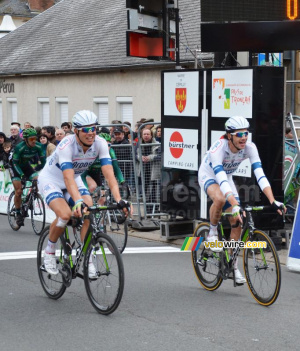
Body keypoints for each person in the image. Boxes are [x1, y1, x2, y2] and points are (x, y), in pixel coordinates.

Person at [38, 110, 129, 277]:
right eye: (86, 129)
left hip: (76, 178)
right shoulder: (66, 145)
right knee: (65, 215)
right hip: (52, 179)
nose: (91, 133)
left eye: (94, 128)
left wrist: (119, 200)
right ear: (76, 131)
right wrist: (78, 200)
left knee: (89, 211)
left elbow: (109, 174)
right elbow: (67, 178)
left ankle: (86, 258)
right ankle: (49, 252)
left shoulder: (100, 143)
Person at [198, 115, 286, 284]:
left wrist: (272, 200)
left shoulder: (250, 147)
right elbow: (221, 178)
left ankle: (233, 266)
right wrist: (235, 204)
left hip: (227, 178)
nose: (244, 137)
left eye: (246, 133)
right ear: (229, 135)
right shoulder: (218, 148)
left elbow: (260, 175)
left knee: (237, 222)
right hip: (210, 175)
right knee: (221, 198)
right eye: (239, 134)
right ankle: (212, 232)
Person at [10, 128, 46, 226]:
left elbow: (43, 162)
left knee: (37, 182)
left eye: (35, 138)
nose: (34, 141)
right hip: (15, 167)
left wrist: (39, 169)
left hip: (26, 166)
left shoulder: (39, 146)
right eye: (31, 139)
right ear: (26, 140)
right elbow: (15, 163)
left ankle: (27, 201)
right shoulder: (19, 147)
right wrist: (21, 175)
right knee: (18, 191)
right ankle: (18, 214)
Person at [136, 128, 161, 212]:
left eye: (148, 134)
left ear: (151, 135)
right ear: (142, 136)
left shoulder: (157, 144)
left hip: (153, 170)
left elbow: (159, 155)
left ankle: (154, 209)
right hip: (143, 170)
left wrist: (149, 158)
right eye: (144, 134)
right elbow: (134, 154)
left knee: (154, 190)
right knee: (145, 190)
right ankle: (147, 209)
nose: (146, 136)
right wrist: (140, 157)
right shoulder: (139, 144)